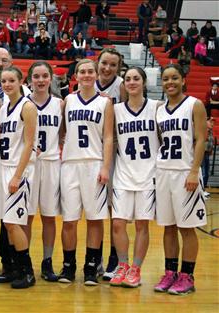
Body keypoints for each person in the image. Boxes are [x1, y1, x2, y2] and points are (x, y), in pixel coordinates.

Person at [58, 59, 113, 286]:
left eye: (91, 71)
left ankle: (91, 265)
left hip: (94, 163)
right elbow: (60, 131)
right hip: (70, 164)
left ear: (96, 74)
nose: (87, 75)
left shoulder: (105, 102)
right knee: (69, 220)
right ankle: (68, 265)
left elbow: (109, 137)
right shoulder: (68, 101)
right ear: (76, 76)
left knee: (95, 219)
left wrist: (105, 166)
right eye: (83, 71)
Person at [154, 63, 207, 295]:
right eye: (166, 79)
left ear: (183, 80)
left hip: (185, 173)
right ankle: (170, 272)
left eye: (175, 78)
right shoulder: (159, 109)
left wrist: (194, 171)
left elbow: (201, 139)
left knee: (187, 228)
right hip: (164, 171)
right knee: (168, 227)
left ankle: (187, 276)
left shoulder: (194, 104)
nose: (170, 83)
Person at [110, 67, 160, 288]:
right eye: (128, 79)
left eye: (136, 78)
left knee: (142, 225)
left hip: (148, 175)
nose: (131, 82)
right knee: (118, 224)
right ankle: (122, 265)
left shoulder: (157, 107)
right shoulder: (116, 109)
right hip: (123, 173)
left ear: (144, 82)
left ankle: (136, 269)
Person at [0, 66, 37, 289]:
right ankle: (13, 269)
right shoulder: (3, 109)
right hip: (4, 166)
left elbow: (30, 144)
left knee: (13, 222)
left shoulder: (28, 106)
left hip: (20, 170)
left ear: (21, 81)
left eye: (11, 80)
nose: (7, 84)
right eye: (4, 81)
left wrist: (17, 176)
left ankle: (27, 271)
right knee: (7, 224)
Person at [26, 61, 63, 282]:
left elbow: (65, 133)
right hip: (29, 165)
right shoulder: (23, 103)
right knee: (27, 218)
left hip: (51, 163)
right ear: (30, 79)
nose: (40, 80)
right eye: (36, 76)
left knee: (49, 217)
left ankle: (47, 262)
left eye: (44, 76)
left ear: (51, 78)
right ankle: (25, 260)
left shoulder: (60, 104)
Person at [94, 47, 127, 281]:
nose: (107, 68)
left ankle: (115, 259)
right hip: (93, 151)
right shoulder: (87, 81)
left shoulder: (124, 86)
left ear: (118, 68)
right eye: (104, 63)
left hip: (116, 151)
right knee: (96, 209)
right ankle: (95, 258)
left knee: (115, 210)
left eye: (112, 65)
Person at [202, 118, 214, 198]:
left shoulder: (210, 132)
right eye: (210, 122)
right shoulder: (203, 130)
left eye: (213, 122)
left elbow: (210, 142)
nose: (212, 123)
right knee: (203, 173)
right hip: (202, 154)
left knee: (206, 173)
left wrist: (211, 150)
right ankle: (201, 190)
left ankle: (203, 189)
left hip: (206, 153)